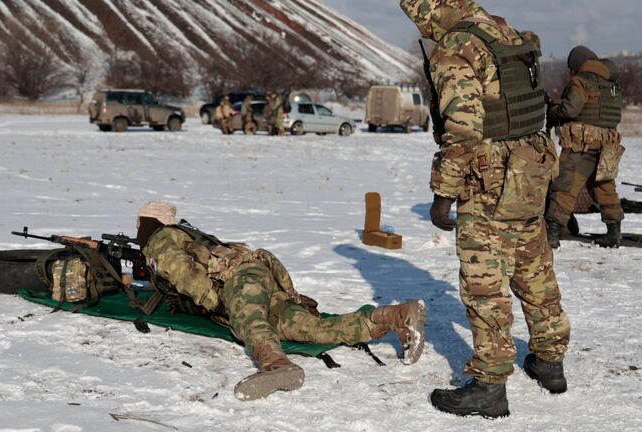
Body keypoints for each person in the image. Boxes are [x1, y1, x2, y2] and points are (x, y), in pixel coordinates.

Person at [401, 0, 570, 418]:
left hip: (490, 180)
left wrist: (444, 194)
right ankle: (549, 361)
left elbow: (462, 129)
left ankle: (490, 385)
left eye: (419, 17)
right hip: (531, 169)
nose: (421, 27)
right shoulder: (501, 31)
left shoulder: (456, 47)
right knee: (534, 270)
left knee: (485, 284)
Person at [135, 201, 427, 401]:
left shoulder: (159, 239)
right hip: (262, 276)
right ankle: (397, 316)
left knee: (248, 320)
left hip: (242, 278)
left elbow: (181, 271)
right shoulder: (185, 233)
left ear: (147, 223)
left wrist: (216, 303)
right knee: (312, 330)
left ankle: (276, 365)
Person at [545, 47, 625, 248]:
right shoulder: (610, 83)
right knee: (605, 186)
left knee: (565, 185)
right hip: (608, 143)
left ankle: (552, 234)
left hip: (582, 143)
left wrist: (554, 110)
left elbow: (571, 109)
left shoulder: (581, 80)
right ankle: (614, 233)